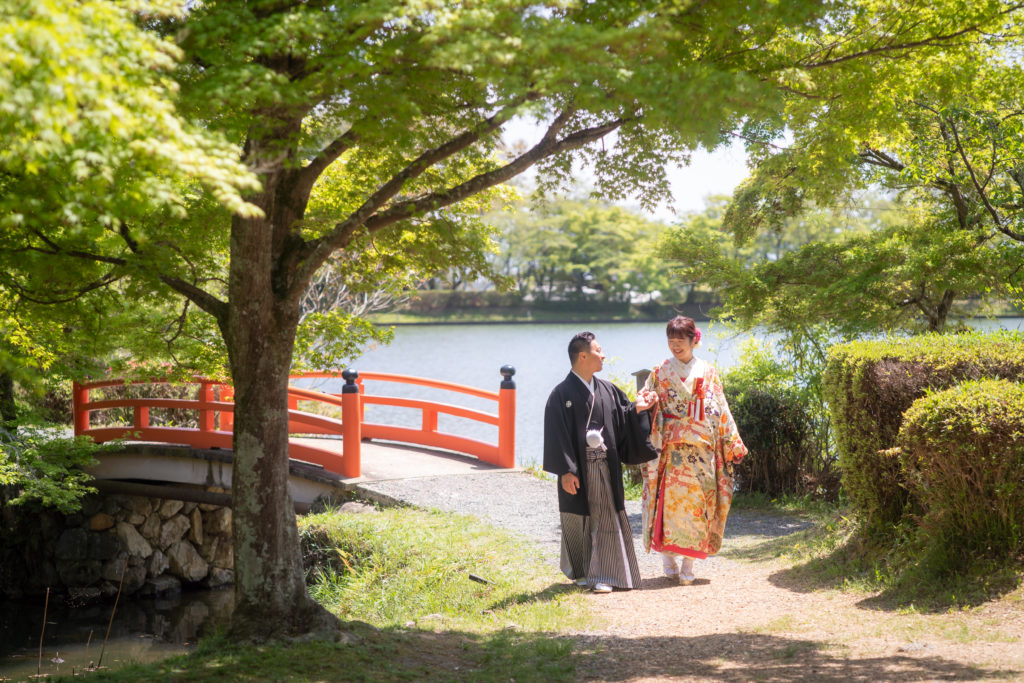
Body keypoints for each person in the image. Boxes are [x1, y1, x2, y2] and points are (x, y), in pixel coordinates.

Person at [543, 331, 659, 593]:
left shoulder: (607, 389)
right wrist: (565, 471)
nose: (603, 355)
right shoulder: (561, 395)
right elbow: (556, 435)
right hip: (578, 468)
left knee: (606, 517)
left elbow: (624, 417)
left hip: (606, 466)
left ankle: (604, 574)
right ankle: (584, 571)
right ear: (583, 356)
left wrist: (639, 409)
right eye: (599, 350)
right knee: (578, 518)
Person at [640, 316, 747, 585]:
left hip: (703, 452)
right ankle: (668, 558)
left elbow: (721, 408)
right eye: (670, 342)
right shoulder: (660, 372)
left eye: (680, 342)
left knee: (700, 507)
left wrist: (733, 441)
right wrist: (649, 404)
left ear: (693, 341)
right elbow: (647, 403)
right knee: (670, 509)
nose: (675, 347)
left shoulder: (708, 371)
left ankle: (689, 563)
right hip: (673, 453)